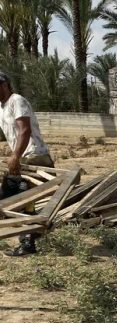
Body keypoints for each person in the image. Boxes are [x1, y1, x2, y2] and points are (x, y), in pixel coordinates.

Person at [0, 71, 54, 256]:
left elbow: (25, 130)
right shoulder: (2, 107)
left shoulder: (17, 100)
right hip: (22, 159)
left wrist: (15, 155)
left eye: (0, 84)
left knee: (22, 199)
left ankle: (28, 243)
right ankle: (33, 232)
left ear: (6, 84)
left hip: (34, 157)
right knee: (8, 197)